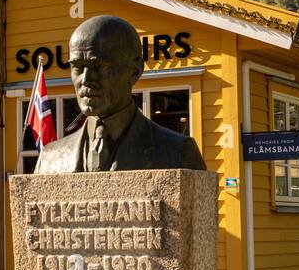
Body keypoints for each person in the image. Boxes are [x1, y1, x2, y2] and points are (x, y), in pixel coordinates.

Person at [35, 14, 206, 173]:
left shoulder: (178, 152)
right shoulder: (50, 158)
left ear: (134, 71)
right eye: (77, 67)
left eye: (100, 67)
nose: (85, 79)